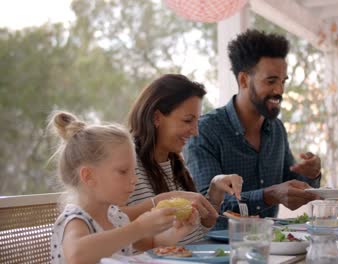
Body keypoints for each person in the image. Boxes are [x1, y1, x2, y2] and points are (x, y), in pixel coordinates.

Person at [184, 29, 321, 230]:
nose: (280, 91)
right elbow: (207, 206)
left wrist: (311, 175)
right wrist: (269, 195)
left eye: (283, 82)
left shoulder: (276, 130)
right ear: (243, 80)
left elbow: (290, 187)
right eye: (271, 81)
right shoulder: (205, 131)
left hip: (269, 245)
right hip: (217, 251)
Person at [48, 111, 197, 264]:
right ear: (88, 176)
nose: (134, 179)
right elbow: (77, 255)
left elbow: (152, 244)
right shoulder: (75, 219)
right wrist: (139, 228)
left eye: (134, 171)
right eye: (123, 171)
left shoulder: (116, 217)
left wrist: (177, 232)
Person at [126, 74, 243, 244]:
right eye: (188, 120)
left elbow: (192, 234)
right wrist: (161, 201)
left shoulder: (175, 164)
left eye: (196, 122)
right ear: (156, 117)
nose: (195, 132)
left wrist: (214, 193)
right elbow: (108, 220)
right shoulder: (126, 163)